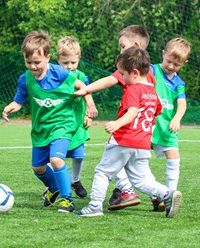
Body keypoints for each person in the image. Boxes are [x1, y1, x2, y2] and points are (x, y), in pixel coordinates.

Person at [74, 46, 182, 218]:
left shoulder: (133, 89)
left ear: (134, 73)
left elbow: (132, 112)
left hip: (124, 139)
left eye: (122, 74)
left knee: (103, 172)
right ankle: (167, 193)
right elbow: (158, 111)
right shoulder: (152, 92)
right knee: (141, 180)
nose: (122, 78)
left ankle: (94, 206)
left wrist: (118, 123)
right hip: (143, 143)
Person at [2, 30, 98, 213]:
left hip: (63, 125)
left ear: (48, 57)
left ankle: (66, 199)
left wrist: (90, 106)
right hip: (41, 129)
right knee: (37, 167)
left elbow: (82, 86)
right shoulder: (25, 79)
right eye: (28, 62)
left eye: (37, 62)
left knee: (55, 160)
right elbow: (19, 101)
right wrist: (11, 107)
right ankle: (54, 187)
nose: (32, 66)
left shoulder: (60, 73)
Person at [76, 25, 154, 210]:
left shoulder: (130, 68)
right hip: (144, 129)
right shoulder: (149, 73)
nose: (120, 50)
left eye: (122, 46)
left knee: (110, 159)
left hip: (127, 127)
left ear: (134, 45)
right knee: (139, 168)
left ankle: (124, 192)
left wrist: (86, 89)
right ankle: (157, 195)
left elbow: (109, 81)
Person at [42, 36, 92, 198]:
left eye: (73, 62)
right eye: (65, 63)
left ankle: (75, 180)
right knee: (53, 156)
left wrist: (88, 115)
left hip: (76, 122)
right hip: (57, 123)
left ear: (78, 59)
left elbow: (87, 95)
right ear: (58, 60)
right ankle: (55, 184)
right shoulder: (54, 76)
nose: (69, 67)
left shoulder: (82, 77)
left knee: (79, 154)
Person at [149, 37, 191, 211]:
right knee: (139, 160)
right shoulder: (152, 71)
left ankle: (170, 196)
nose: (171, 66)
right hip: (148, 124)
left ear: (183, 63)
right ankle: (154, 193)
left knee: (174, 158)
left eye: (177, 65)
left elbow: (181, 103)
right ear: (163, 54)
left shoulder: (178, 83)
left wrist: (177, 118)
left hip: (167, 127)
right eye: (169, 61)